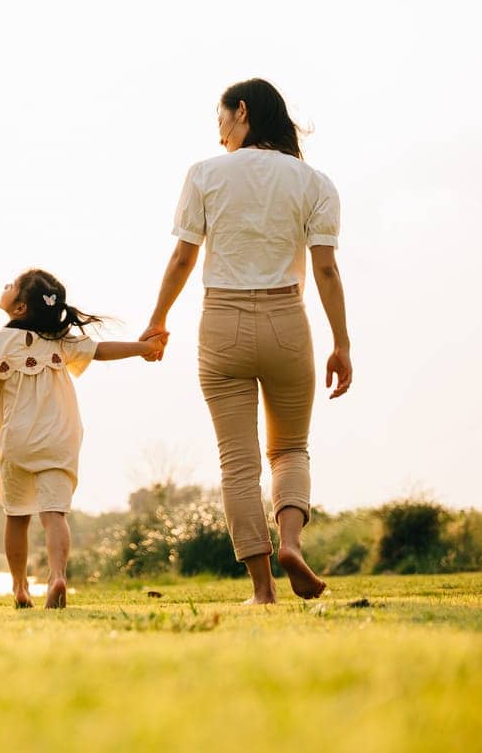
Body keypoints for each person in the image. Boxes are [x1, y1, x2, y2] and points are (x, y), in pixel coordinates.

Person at [140, 78, 352, 604]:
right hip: (287, 319)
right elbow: (325, 270)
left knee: (238, 463)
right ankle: (293, 543)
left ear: (241, 112)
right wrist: (341, 344)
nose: (218, 136)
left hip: (221, 323)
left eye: (220, 121)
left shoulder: (205, 174)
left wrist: (158, 320)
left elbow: (184, 259)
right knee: (290, 449)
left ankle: (263, 590)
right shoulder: (314, 182)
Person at [0, 268, 163, 608]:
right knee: (55, 514)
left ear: (20, 308)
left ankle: (20, 587)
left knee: (17, 516)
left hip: (18, 440)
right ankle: (57, 576)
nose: (5, 285)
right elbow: (101, 350)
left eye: (12, 285)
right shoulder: (60, 338)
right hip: (60, 436)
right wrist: (143, 347)